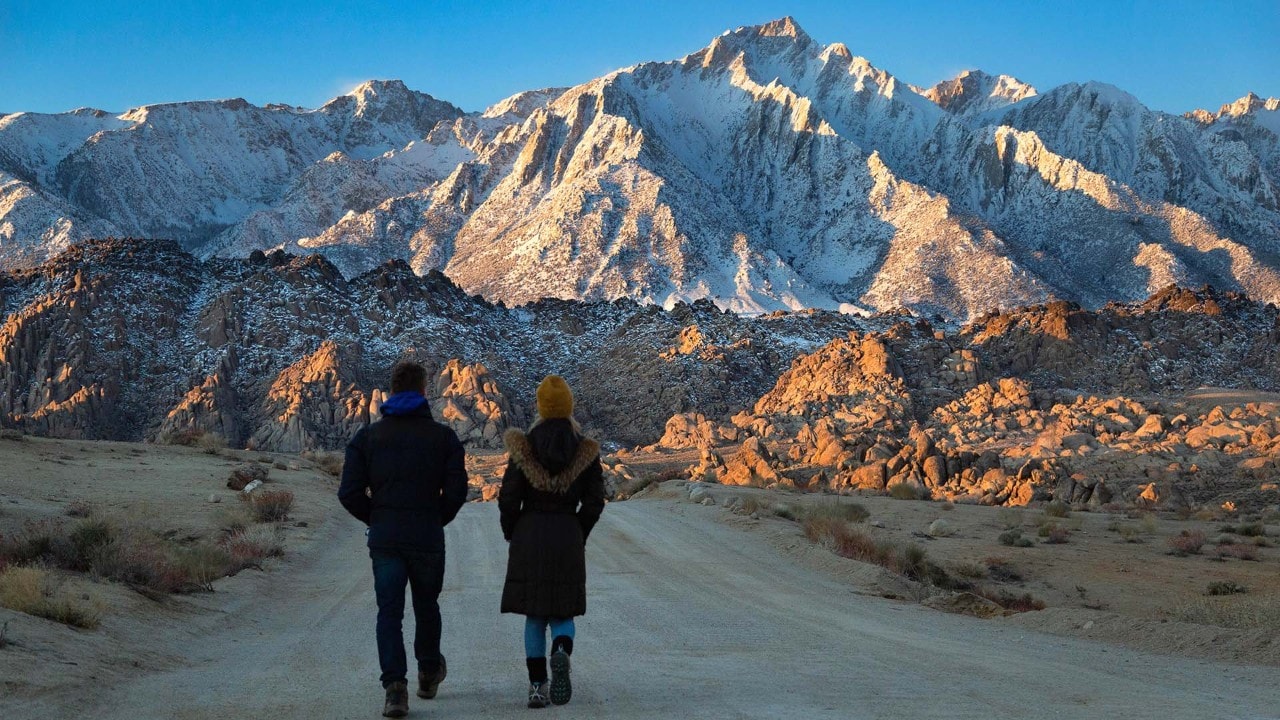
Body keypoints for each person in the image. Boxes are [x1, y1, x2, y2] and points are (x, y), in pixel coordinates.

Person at [339, 360, 468, 718]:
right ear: (425, 391)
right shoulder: (444, 438)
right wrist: (435, 518)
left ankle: (395, 689)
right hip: (427, 537)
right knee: (427, 605)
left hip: (386, 539)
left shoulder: (367, 438)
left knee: (389, 611)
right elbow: (457, 491)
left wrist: (377, 518)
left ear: (391, 391)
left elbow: (349, 492)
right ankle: (428, 672)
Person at [499, 375, 606, 709]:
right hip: (567, 534)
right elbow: (595, 501)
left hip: (529, 533)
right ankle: (560, 649)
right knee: (562, 610)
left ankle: (536, 686)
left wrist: (513, 530)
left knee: (534, 614)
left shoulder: (524, 447)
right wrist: (579, 530)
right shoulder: (584, 450)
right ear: (569, 407)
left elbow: (508, 498)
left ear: (540, 407)